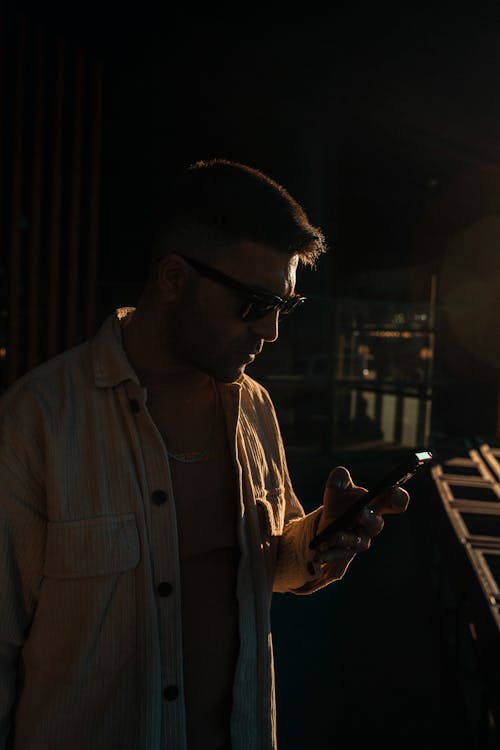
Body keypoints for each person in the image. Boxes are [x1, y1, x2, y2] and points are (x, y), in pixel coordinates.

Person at [0, 158, 410, 750]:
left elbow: (266, 566)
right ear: (172, 278)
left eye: (285, 307)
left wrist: (321, 536)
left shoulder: (252, 408)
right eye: (254, 303)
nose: (270, 331)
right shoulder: (36, 424)